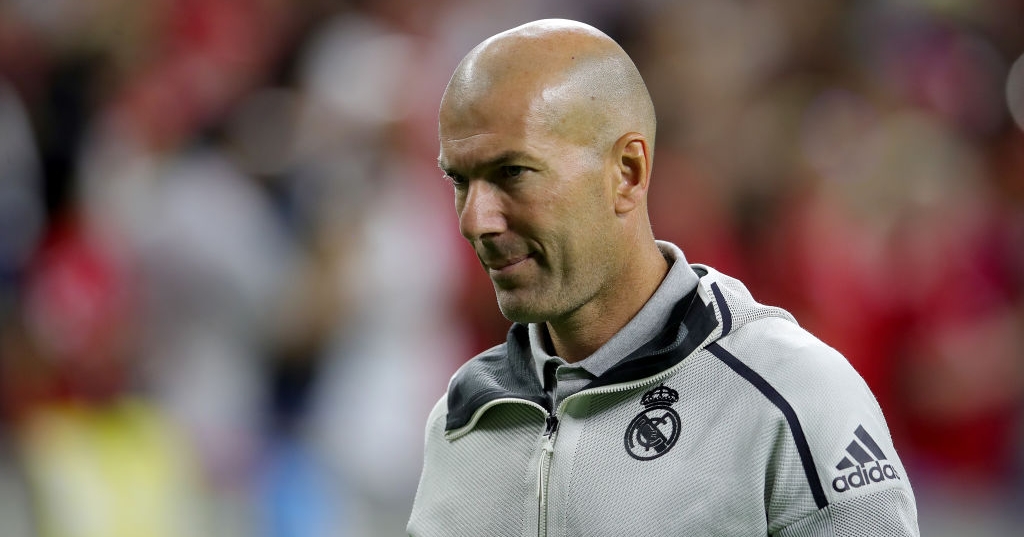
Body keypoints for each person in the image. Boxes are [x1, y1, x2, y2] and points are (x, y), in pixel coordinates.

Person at [407, 19, 920, 536]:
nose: (475, 220)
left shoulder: (792, 395)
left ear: (627, 172)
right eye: (459, 180)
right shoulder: (463, 417)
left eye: (512, 173)